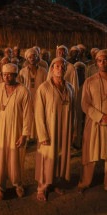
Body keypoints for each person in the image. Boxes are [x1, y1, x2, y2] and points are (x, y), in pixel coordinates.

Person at [0, 63, 33, 200]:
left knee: (16, 159)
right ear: (1, 75)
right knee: (0, 158)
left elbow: (27, 115)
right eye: (4, 74)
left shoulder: (23, 91)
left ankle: (17, 184)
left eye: (10, 75)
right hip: (0, 131)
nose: (7, 77)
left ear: (16, 75)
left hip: (16, 130)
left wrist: (24, 134)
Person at [35, 57, 75, 202]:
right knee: (47, 158)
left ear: (65, 69)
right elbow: (38, 113)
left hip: (64, 130)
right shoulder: (43, 88)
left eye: (62, 66)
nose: (60, 68)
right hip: (49, 131)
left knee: (59, 157)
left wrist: (73, 130)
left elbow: (73, 111)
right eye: (56, 66)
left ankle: (53, 183)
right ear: (51, 69)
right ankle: (42, 187)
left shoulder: (70, 88)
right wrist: (43, 135)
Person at [78, 49, 107, 193]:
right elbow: (85, 103)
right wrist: (100, 116)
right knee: (90, 152)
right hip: (94, 122)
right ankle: (85, 182)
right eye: (100, 60)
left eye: (105, 60)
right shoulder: (89, 81)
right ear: (96, 63)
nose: (103, 63)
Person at [18, 48, 47, 141]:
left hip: (39, 96)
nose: (32, 58)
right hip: (27, 97)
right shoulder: (22, 72)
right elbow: (20, 85)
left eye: (34, 56)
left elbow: (46, 85)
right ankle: (27, 136)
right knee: (27, 116)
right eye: (30, 57)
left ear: (37, 57)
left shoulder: (43, 71)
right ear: (27, 58)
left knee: (39, 116)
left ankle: (39, 135)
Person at [73, 62, 86, 149]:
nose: (79, 72)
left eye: (81, 70)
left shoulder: (87, 83)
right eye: (77, 70)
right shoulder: (71, 82)